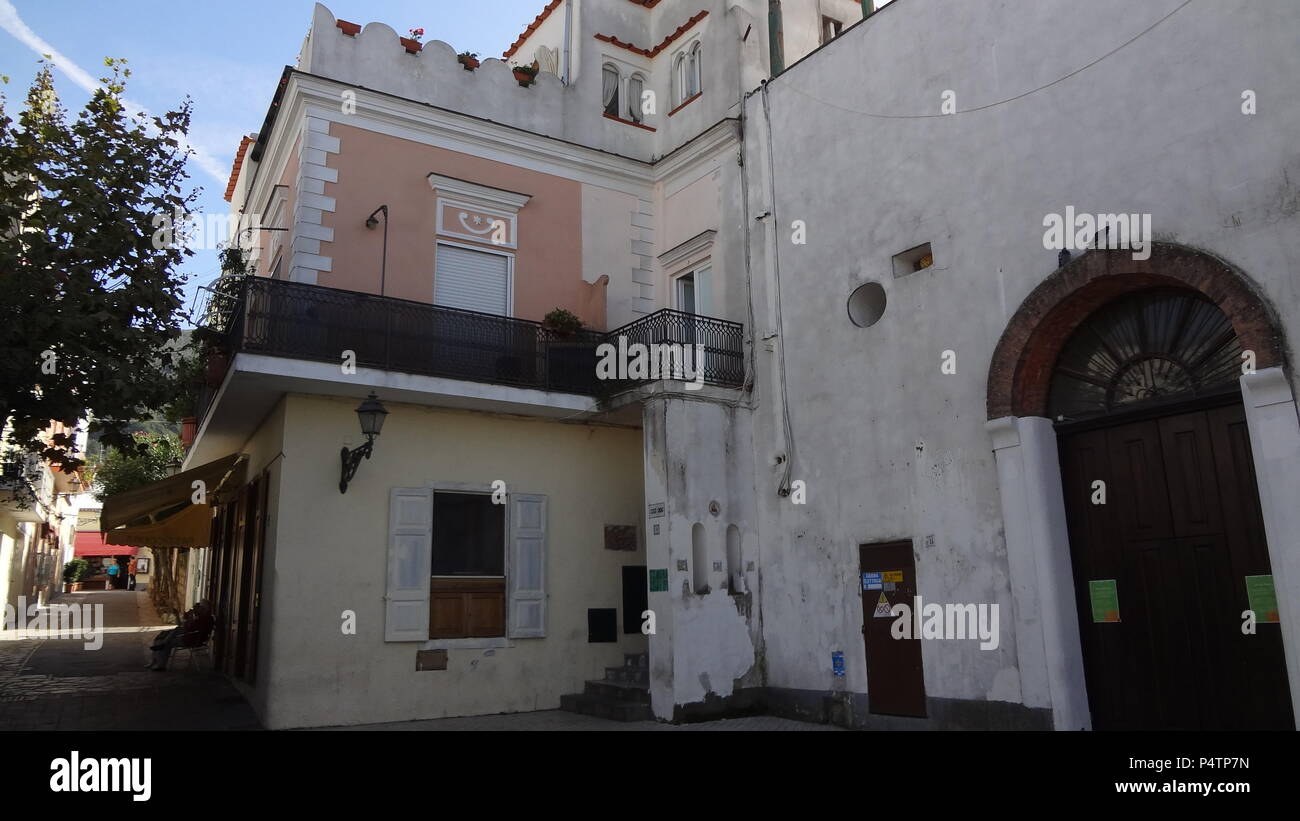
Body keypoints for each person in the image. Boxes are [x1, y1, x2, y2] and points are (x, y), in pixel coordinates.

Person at [147, 601, 213, 671]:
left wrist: (190, 617)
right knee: (163, 636)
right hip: (191, 637)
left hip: (192, 640)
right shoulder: (204, 618)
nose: (198, 609)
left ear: (204, 609)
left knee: (167, 642)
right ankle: (156, 660)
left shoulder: (203, 619)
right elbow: (188, 627)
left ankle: (160, 665)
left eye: (200, 608)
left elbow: (189, 628)